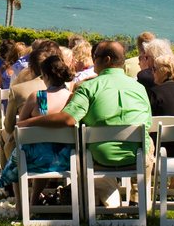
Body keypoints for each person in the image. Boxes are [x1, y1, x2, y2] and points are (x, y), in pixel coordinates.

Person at [20, 40, 153, 199]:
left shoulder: (88, 87)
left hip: (99, 156)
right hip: (137, 155)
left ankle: (79, 198)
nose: (92, 59)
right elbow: (148, 121)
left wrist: (27, 122)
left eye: (95, 56)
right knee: (149, 143)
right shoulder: (139, 88)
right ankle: (138, 199)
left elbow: (68, 119)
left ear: (107, 60)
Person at [0, 54, 75, 192]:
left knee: (22, 153)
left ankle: (20, 202)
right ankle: (35, 199)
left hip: (36, 159)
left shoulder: (40, 97)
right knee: (43, 148)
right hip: (66, 157)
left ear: (46, 76)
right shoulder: (71, 97)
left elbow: (20, 127)